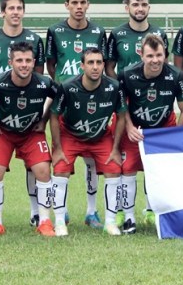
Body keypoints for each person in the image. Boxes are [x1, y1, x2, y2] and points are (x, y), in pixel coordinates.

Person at [46, 0, 108, 229]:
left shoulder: (99, 32)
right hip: (66, 103)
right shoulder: (55, 31)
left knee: (93, 161)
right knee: (61, 160)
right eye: (74, 3)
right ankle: (62, 210)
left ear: (88, 4)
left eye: (83, 2)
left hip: (92, 103)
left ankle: (92, 212)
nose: (79, 7)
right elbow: (51, 65)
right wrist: (65, 86)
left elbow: (104, 63)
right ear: (67, 5)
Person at [0, 42, 59, 237]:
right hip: (3, 133)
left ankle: (44, 221)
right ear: (11, 62)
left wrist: (44, 119)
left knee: (43, 170)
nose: (23, 65)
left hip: (31, 133)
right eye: (19, 60)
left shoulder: (44, 83)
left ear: (34, 62)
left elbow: (60, 97)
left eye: (27, 61)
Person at [118, 35, 183, 232]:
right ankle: (129, 218)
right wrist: (130, 128)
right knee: (128, 170)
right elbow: (121, 106)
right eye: (150, 55)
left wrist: (173, 134)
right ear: (141, 55)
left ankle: (158, 212)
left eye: (159, 55)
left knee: (161, 171)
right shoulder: (126, 75)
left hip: (163, 129)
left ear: (165, 54)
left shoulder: (177, 76)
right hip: (135, 128)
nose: (155, 60)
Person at [50, 48, 126, 236]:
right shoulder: (67, 86)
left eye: (99, 62)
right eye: (90, 63)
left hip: (100, 137)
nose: (95, 67)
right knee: (60, 169)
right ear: (82, 66)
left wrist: (115, 148)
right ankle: (60, 221)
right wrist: (58, 148)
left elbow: (122, 116)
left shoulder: (114, 87)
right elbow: (54, 116)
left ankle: (110, 222)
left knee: (114, 169)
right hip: (70, 135)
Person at [105, 0, 168, 78]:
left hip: (152, 89)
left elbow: (165, 65)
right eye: (135, 5)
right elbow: (109, 68)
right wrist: (119, 86)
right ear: (127, 8)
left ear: (149, 8)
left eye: (144, 5)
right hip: (126, 90)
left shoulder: (160, 34)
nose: (140, 9)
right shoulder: (116, 34)